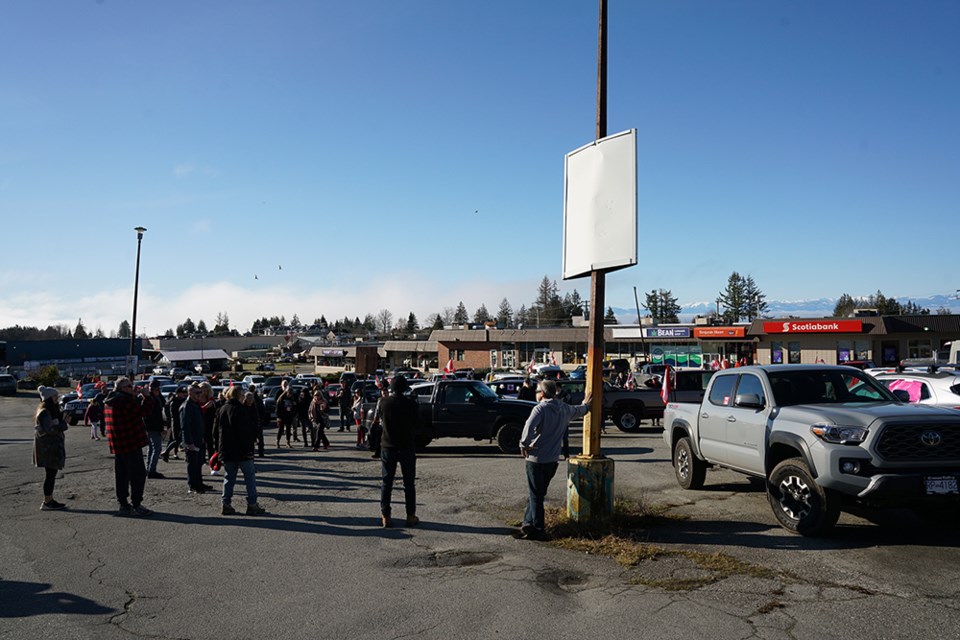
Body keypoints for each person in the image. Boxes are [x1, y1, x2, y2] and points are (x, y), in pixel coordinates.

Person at [517, 379, 591, 541]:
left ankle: (538, 528)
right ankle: (527, 521)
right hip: (552, 460)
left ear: (542, 393)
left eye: (537, 391)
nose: (536, 393)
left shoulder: (540, 409)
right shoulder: (564, 408)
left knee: (536, 494)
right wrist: (586, 404)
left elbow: (528, 428)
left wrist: (524, 444)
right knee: (539, 493)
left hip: (535, 458)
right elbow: (580, 411)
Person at [104, 378, 154, 516]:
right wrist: (147, 397)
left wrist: (136, 397)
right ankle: (136, 504)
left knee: (122, 476)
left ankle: (123, 504)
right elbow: (144, 411)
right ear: (123, 389)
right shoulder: (125, 401)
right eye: (130, 386)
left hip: (119, 444)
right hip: (131, 443)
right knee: (138, 475)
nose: (133, 388)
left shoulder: (110, 401)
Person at [377, 375, 421, 528]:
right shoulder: (411, 404)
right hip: (407, 446)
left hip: (388, 445)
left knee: (386, 483)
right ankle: (410, 515)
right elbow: (417, 422)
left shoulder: (384, 402)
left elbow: (380, 418)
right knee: (409, 483)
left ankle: (386, 515)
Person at [215, 385, 266, 516]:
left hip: (227, 450)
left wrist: (218, 449)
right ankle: (252, 504)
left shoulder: (222, 409)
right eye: (242, 395)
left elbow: (215, 432)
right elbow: (245, 432)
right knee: (249, 477)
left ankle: (225, 503)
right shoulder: (241, 410)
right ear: (238, 396)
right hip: (242, 450)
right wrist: (249, 448)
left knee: (229, 478)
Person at [34, 386, 68, 510]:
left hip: (50, 447)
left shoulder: (49, 410)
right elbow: (51, 430)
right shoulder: (44, 412)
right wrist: (64, 423)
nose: (57, 398)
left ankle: (49, 500)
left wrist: (62, 419)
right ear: (48, 398)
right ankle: (47, 501)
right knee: (50, 475)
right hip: (48, 448)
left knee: (51, 474)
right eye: (55, 396)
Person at [180, 383, 213, 494]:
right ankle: (193, 485)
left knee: (199, 463)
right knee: (192, 463)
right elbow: (185, 426)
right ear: (190, 393)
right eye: (197, 392)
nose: (199, 394)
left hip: (199, 439)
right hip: (192, 441)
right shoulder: (187, 406)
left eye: (200, 392)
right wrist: (189, 442)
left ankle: (199, 483)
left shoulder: (196, 404)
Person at [143, 380, 167, 479]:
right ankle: (151, 470)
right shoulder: (149, 399)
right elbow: (151, 416)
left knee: (151, 449)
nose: (157, 390)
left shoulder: (156, 398)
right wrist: (161, 428)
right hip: (152, 427)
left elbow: (163, 402)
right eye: (155, 388)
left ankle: (148, 469)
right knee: (156, 449)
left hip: (152, 427)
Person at [162, 386, 188, 462]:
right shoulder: (174, 401)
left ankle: (167, 453)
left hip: (181, 422)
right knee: (176, 440)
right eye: (182, 393)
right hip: (176, 423)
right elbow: (174, 414)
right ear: (178, 393)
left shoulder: (183, 400)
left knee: (178, 440)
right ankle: (166, 452)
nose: (183, 394)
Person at [275, 380, 296, 448]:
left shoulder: (291, 398)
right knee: (280, 429)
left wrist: (293, 412)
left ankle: (288, 442)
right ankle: (277, 441)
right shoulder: (281, 397)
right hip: (282, 416)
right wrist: (278, 416)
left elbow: (294, 407)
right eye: (289, 393)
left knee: (288, 429)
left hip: (289, 416)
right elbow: (277, 405)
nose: (290, 395)